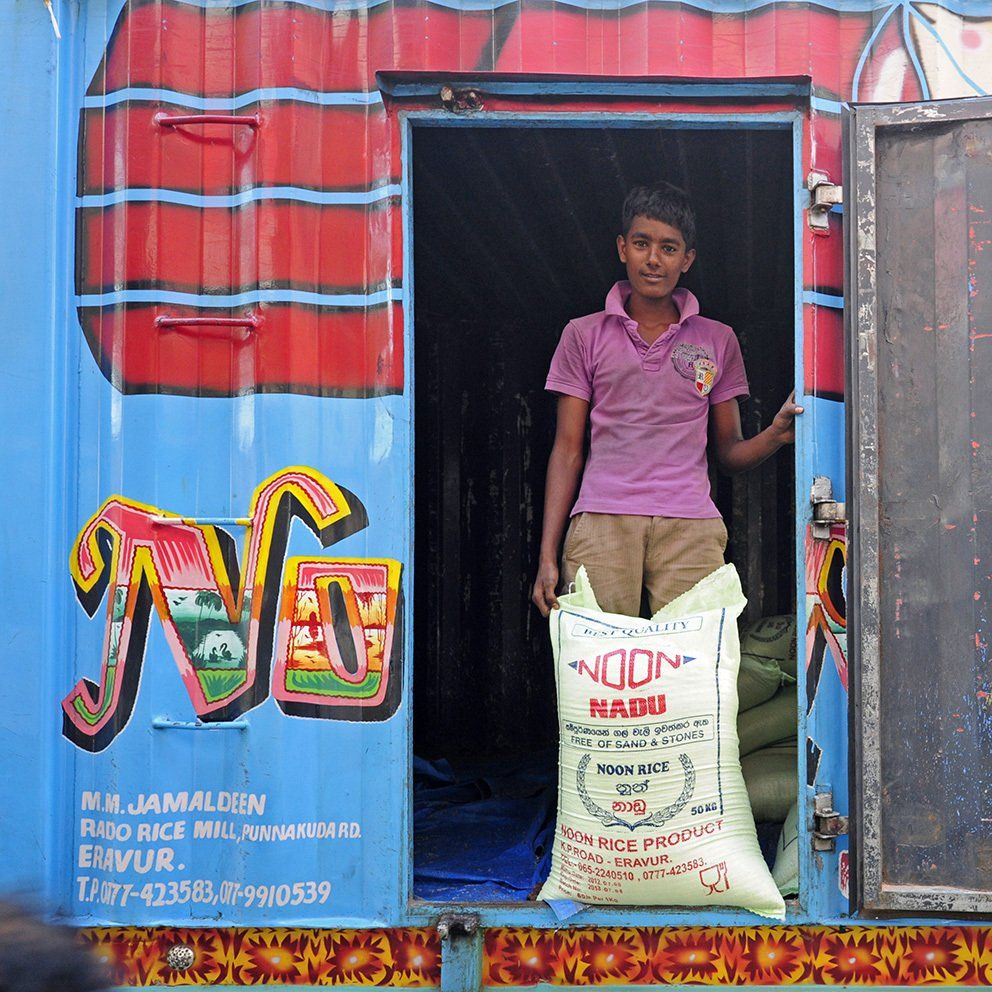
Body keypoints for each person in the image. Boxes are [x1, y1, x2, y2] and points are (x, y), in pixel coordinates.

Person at [531, 182, 802, 619]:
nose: (653, 259)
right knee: (596, 671)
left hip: (691, 526)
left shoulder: (717, 340)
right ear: (623, 249)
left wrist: (775, 434)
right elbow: (567, 449)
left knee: (689, 674)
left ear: (687, 259)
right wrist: (547, 555)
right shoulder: (582, 334)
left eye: (669, 248)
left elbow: (729, 452)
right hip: (601, 519)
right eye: (642, 244)